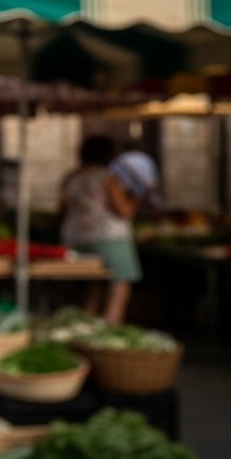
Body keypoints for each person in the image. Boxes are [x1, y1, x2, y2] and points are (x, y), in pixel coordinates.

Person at [60, 136, 141, 324]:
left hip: (76, 237)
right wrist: (136, 198)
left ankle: (85, 330)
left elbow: (62, 207)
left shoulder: (71, 177)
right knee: (118, 286)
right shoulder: (107, 177)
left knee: (93, 288)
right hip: (108, 236)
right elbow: (124, 211)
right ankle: (111, 330)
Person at [109, 139, 162, 219]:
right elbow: (153, 179)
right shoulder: (146, 158)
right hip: (145, 193)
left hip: (127, 194)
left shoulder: (118, 160)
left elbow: (112, 177)